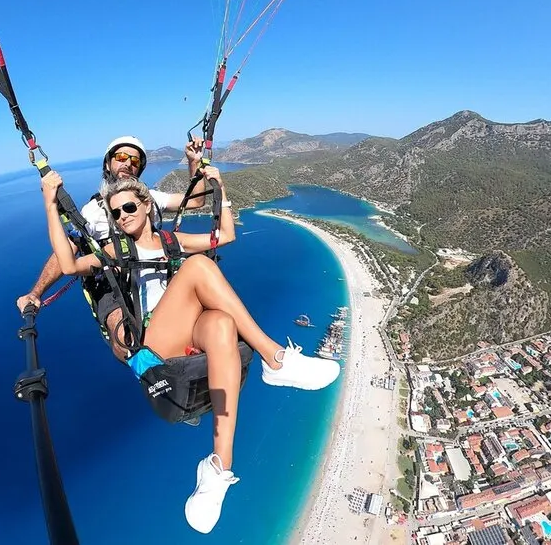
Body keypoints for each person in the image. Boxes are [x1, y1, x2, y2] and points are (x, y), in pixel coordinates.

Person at [39, 168, 342, 534]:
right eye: (116, 213)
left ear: (147, 205)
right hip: (153, 347)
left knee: (221, 326)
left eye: (130, 206)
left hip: (185, 333)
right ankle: (274, 358)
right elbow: (70, 265)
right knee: (199, 267)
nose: (123, 216)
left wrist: (220, 187)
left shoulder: (170, 241)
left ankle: (218, 466)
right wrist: (50, 203)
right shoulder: (114, 251)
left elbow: (226, 235)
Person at [17, 135, 209, 359]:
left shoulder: (151, 199)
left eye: (134, 161)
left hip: (156, 269)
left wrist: (194, 162)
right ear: (108, 163)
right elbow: (66, 253)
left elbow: (196, 201)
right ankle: (151, 370)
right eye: (120, 157)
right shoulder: (92, 211)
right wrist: (36, 292)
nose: (127, 163)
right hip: (112, 281)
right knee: (121, 331)